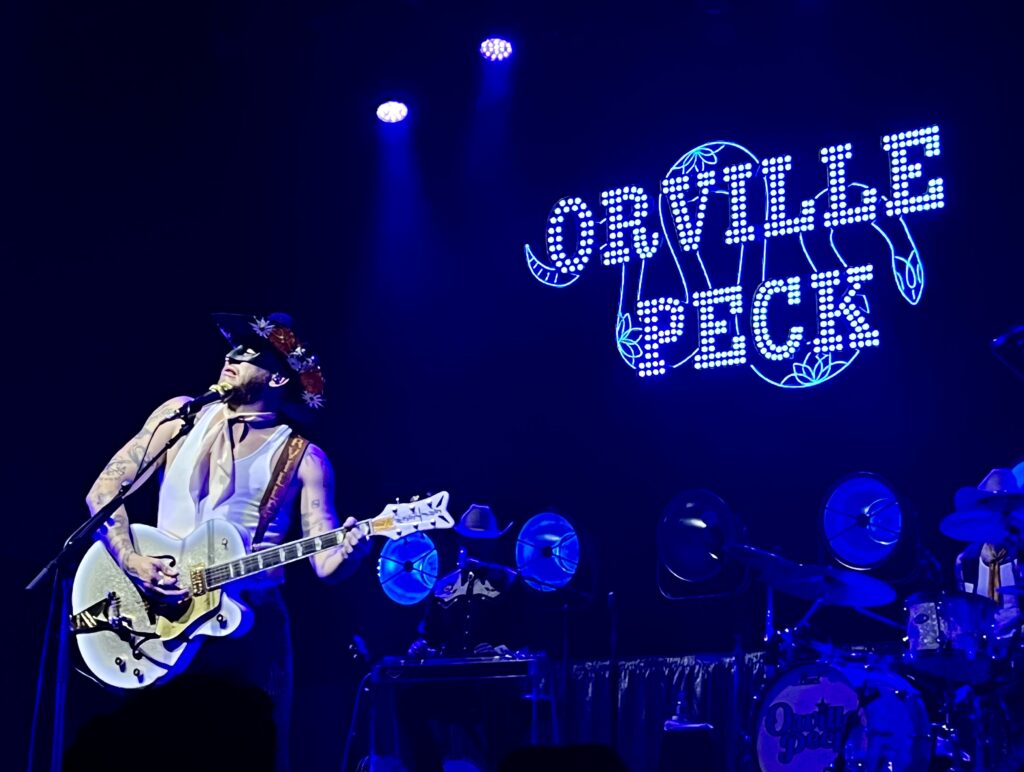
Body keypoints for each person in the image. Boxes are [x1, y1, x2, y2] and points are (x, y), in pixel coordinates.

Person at [83, 312, 369, 770]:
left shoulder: (304, 457)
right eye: (231, 348)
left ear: (278, 377)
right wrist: (132, 560)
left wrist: (352, 551)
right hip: (159, 615)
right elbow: (103, 493)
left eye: (247, 353)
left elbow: (324, 561)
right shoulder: (179, 418)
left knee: (246, 754)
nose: (230, 356)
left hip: (248, 628)